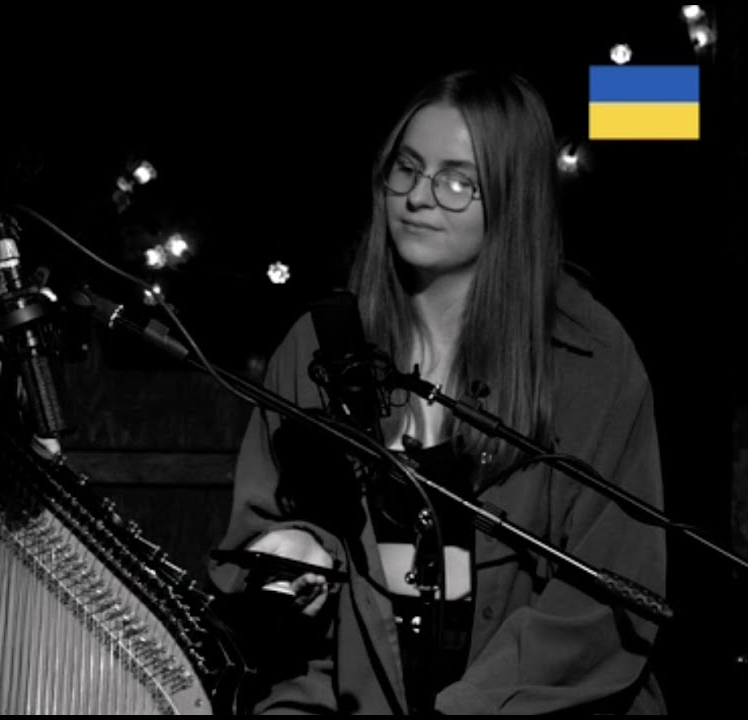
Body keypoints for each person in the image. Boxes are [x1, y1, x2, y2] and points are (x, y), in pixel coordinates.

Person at [211, 69, 666, 714]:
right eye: (408, 168)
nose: (419, 198)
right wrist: (295, 548)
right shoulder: (317, 345)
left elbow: (603, 602)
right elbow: (258, 532)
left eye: (458, 180)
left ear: (512, 199)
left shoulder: (590, 357)